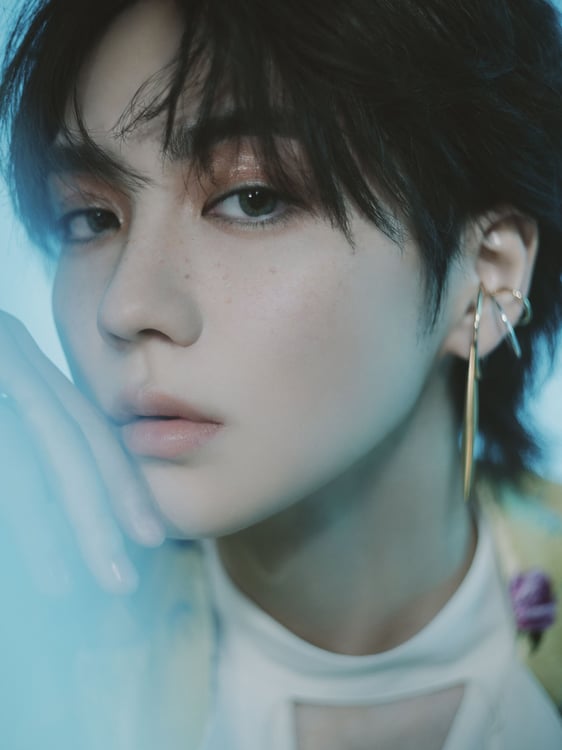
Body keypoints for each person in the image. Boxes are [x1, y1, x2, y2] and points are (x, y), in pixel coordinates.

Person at [0, 0, 562, 747]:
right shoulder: (38, 647)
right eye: (90, 218)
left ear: (487, 276)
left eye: (252, 199)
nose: (125, 306)